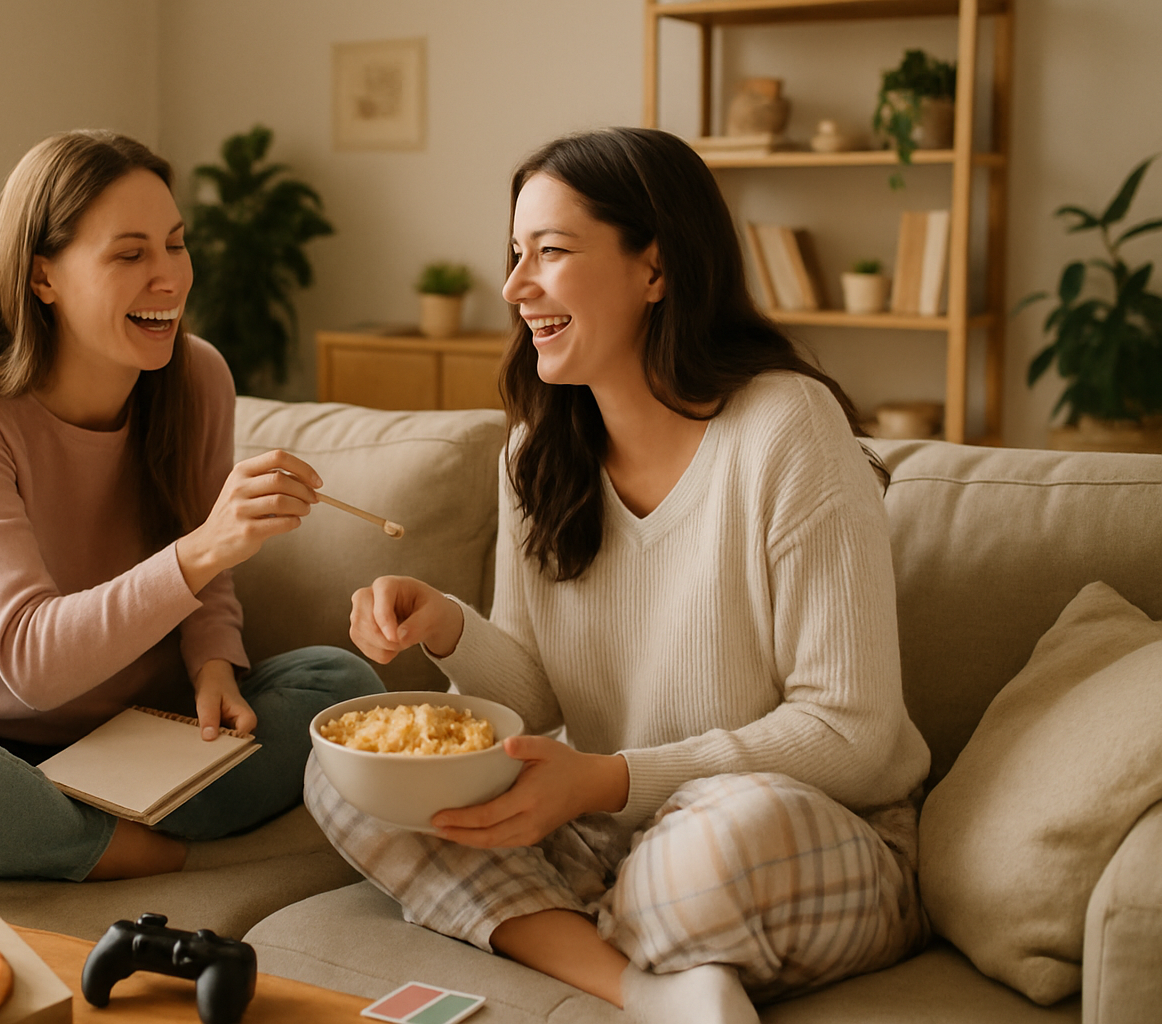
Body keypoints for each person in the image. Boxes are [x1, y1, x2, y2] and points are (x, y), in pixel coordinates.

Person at [309, 127, 931, 1022]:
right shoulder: (535, 450)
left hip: (805, 836)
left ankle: (567, 924)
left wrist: (602, 780)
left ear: (656, 267)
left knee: (716, 849)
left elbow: (854, 732)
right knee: (343, 774)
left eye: (551, 252)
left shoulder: (786, 428)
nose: (516, 287)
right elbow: (537, 688)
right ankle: (639, 981)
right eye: (515, 254)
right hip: (602, 839)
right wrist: (446, 624)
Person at [0, 129, 383, 883]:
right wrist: (208, 546)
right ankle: (125, 846)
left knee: (341, 687)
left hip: (135, 736)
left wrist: (215, 666)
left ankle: (49, 835)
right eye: (129, 255)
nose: (168, 279)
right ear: (43, 278)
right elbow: (33, 664)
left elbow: (205, 589)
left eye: (175, 245)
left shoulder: (197, 378)